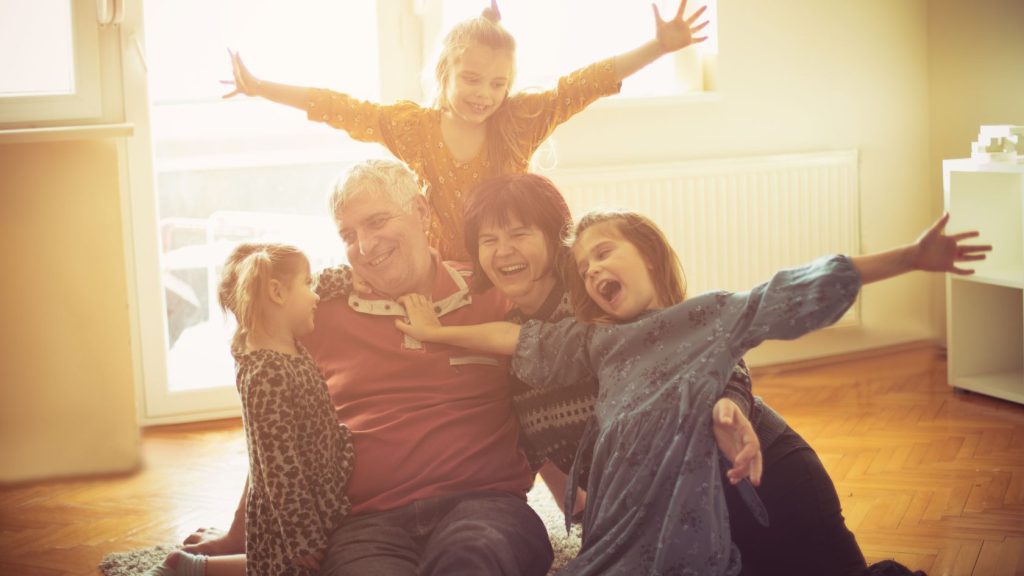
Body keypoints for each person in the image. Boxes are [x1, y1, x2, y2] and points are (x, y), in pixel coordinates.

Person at [395, 209, 990, 575]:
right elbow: (516, 339)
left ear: (648, 253)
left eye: (605, 251)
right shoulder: (596, 342)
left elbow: (795, 288)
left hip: (771, 474)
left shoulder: (712, 316)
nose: (594, 269)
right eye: (583, 267)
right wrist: (433, 331)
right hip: (698, 508)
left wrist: (911, 258)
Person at [183, 159, 555, 576]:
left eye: (377, 221)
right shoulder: (317, 314)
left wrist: (581, 505)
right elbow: (275, 435)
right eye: (348, 234)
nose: (364, 246)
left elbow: (547, 407)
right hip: (365, 521)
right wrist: (241, 533)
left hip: (486, 504)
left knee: (475, 562)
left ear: (420, 212)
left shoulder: (491, 294)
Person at [222, 0, 709, 260]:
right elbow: (337, 106)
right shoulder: (413, 127)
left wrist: (657, 47)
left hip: (518, 262)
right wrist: (262, 87)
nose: (484, 94)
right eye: (471, 80)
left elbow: (586, 83)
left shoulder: (519, 119)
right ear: (444, 74)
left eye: (498, 83)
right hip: (447, 275)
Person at [460, 173, 762, 522]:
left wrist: (731, 401)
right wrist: (577, 511)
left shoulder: (598, 297)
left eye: (519, 233)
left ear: (556, 238)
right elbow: (539, 444)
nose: (503, 251)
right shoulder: (507, 334)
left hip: (727, 470)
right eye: (488, 239)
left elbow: (703, 343)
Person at [148, 243, 356, 576]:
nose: (315, 293)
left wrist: (353, 274)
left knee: (273, 566)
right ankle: (192, 570)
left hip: (317, 495)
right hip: (294, 513)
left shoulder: (285, 344)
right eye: (307, 283)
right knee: (284, 569)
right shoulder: (267, 374)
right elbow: (280, 469)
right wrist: (303, 539)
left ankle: (192, 568)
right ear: (276, 292)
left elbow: (315, 286)